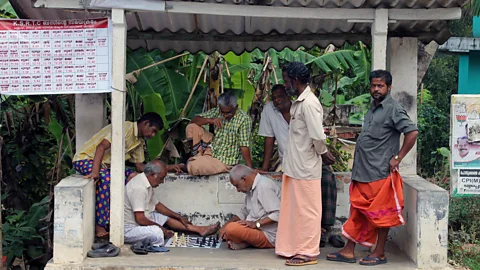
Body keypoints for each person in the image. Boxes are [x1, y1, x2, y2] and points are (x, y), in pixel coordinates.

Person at [326, 70, 418, 266]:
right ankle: (349, 250)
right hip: (362, 172)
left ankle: (379, 252)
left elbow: (412, 132)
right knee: (357, 212)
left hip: (379, 172)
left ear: (389, 88)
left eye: (380, 86)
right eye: (373, 85)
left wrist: (398, 158)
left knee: (381, 214)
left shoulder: (393, 109)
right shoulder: (372, 108)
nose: (376, 89)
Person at [258, 83, 341, 248]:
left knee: (327, 180)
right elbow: (269, 138)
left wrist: (323, 153)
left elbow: (317, 135)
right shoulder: (269, 110)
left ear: (289, 97)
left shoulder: (303, 106)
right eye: (274, 98)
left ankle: (326, 228)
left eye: (280, 97)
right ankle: (307, 235)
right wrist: (265, 167)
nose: (277, 101)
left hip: (311, 157)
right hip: (290, 162)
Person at [274, 62, 335, 266]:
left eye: (286, 80)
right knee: (295, 211)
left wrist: (324, 153)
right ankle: (292, 248)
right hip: (294, 167)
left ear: (296, 80)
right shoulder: (299, 102)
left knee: (308, 211)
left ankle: (308, 253)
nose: (285, 85)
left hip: (306, 168)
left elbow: (318, 136)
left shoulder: (309, 103)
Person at [72, 112, 164, 238]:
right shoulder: (125, 128)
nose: (152, 135)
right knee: (105, 180)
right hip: (86, 160)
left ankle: (122, 218)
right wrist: (95, 172)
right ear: (146, 123)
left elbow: (140, 166)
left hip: (107, 167)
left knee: (134, 176)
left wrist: (163, 169)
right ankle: (100, 225)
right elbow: (101, 147)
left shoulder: (139, 141)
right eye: (153, 131)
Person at [124, 160, 220, 246]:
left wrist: (178, 217)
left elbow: (158, 205)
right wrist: (162, 229)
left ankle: (199, 229)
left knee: (162, 217)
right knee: (157, 232)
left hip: (139, 221)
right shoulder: (139, 188)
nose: (162, 182)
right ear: (152, 174)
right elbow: (140, 219)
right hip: (130, 229)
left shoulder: (145, 182)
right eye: (161, 178)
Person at [185, 91, 253, 175]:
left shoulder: (244, 120)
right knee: (191, 127)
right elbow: (194, 120)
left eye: (228, 112)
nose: (225, 115)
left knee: (194, 166)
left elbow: (244, 146)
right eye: (222, 112)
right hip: (211, 149)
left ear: (236, 107)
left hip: (224, 161)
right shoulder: (217, 111)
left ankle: (194, 162)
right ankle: (199, 156)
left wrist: (250, 169)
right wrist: (210, 120)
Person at [217, 165, 281, 250]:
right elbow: (243, 212)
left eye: (237, 186)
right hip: (255, 230)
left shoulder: (264, 186)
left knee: (231, 229)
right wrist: (225, 226)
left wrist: (256, 224)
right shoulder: (251, 188)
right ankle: (247, 243)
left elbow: (278, 213)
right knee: (227, 231)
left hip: (269, 234)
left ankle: (249, 243)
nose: (238, 190)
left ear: (244, 179)